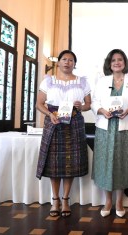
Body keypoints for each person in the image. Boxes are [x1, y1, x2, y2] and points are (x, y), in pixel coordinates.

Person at [36, 50, 91, 217]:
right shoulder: (48, 81)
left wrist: (81, 106)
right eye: (64, 59)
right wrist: (50, 114)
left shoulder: (82, 82)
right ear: (58, 63)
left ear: (75, 64)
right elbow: (39, 104)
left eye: (71, 60)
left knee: (71, 162)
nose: (67, 62)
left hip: (74, 122)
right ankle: (55, 200)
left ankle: (65, 199)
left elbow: (88, 104)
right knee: (54, 163)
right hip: (54, 121)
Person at [91, 49, 128, 218]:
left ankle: (120, 201)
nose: (116, 62)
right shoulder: (101, 81)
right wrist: (101, 110)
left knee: (122, 164)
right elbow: (94, 102)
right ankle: (108, 201)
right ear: (109, 63)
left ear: (124, 62)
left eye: (120, 59)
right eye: (113, 60)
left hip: (124, 129)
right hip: (104, 129)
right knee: (106, 165)